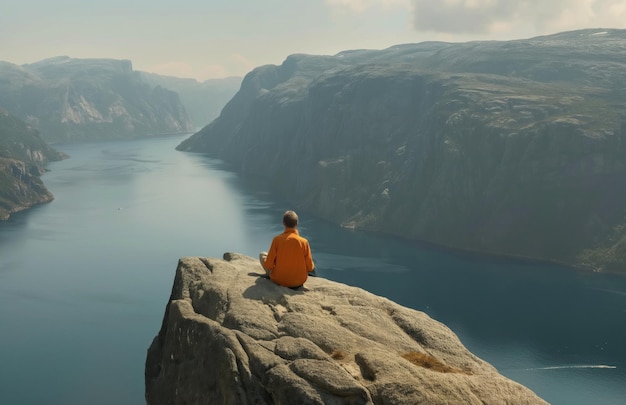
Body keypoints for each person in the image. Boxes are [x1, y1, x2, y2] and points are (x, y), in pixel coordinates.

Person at [259, 210, 315, 288]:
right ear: (296, 224)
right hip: (298, 281)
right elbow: (310, 267)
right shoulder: (304, 242)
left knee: (262, 254)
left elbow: (269, 265)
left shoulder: (277, 240)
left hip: (279, 280)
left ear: (284, 223)